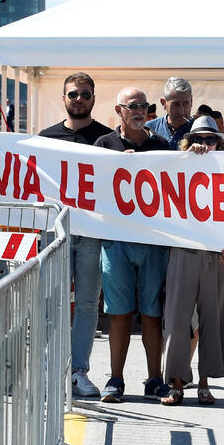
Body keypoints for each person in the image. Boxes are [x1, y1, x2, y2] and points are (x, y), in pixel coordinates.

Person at [160, 116, 224, 406]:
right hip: (183, 251)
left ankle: (204, 382)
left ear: (220, 141)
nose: (205, 144)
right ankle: (176, 383)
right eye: (198, 138)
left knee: (212, 321)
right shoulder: (177, 165)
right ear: (188, 141)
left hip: (218, 255)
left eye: (211, 139)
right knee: (177, 321)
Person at [93, 87, 173, 403]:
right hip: (117, 241)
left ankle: (155, 379)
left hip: (153, 241)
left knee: (153, 314)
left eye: (145, 106)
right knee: (120, 314)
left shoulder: (161, 146)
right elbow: (93, 187)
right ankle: (116, 379)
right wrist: (114, 165)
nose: (140, 111)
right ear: (119, 110)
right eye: (133, 106)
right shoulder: (103, 146)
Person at [38, 72, 114, 398]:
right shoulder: (45, 138)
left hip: (92, 234)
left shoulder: (109, 140)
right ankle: (51, 367)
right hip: (56, 233)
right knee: (52, 302)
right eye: (73, 94)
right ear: (64, 98)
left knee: (86, 303)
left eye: (85, 95)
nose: (79, 100)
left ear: (94, 99)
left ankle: (78, 371)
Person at [145, 76, 193, 149]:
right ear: (163, 103)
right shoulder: (148, 129)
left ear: (191, 102)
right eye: (175, 104)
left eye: (185, 103)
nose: (181, 110)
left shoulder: (200, 131)